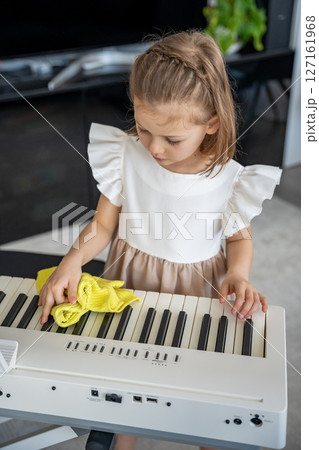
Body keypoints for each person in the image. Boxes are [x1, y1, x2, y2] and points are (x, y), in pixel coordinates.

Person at [38, 30, 282, 450]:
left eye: (171, 139)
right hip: (130, 279)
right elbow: (102, 225)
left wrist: (238, 274)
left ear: (212, 124)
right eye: (144, 128)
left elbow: (240, 240)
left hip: (199, 289)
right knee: (123, 386)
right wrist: (72, 261)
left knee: (204, 392)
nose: (153, 147)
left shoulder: (228, 179)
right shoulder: (126, 155)